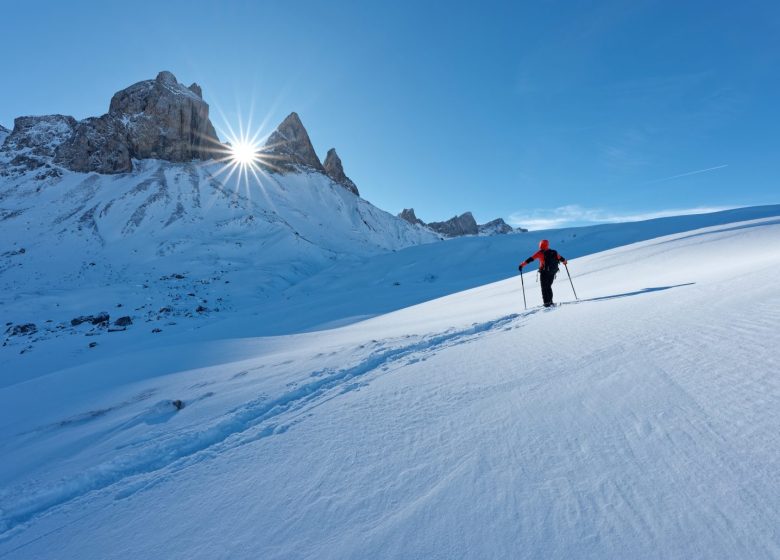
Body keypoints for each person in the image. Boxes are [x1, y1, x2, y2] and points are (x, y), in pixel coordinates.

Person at [519, 240, 567, 307]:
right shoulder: (553, 252)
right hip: (552, 272)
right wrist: (565, 262)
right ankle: (550, 301)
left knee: (544, 288)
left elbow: (530, 259)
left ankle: (546, 303)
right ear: (547, 245)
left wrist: (522, 265)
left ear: (540, 245)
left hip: (544, 272)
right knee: (548, 287)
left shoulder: (540, 253)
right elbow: (561, 258)